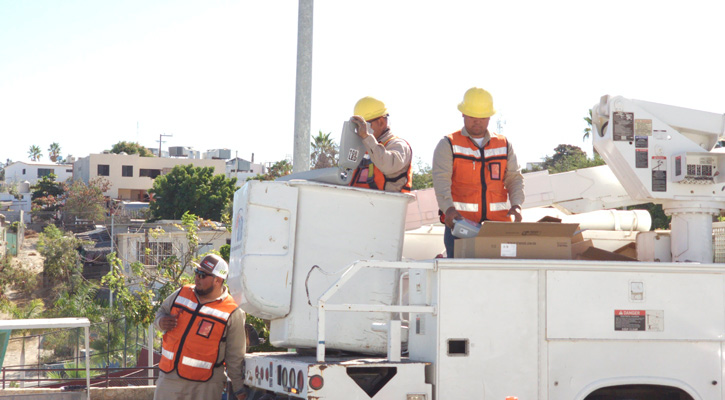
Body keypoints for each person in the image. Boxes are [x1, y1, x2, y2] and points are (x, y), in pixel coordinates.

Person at [432, 87, 525, 258]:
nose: (477, 121)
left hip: (497, 228)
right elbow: (441, 180)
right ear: (463, 114)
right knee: (460, 277)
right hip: (460, 226)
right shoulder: (448, 144)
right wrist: (448, 209)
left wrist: (517, 205)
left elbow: (514, 178)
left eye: (482, 117)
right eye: (472, 116)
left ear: (489, 117)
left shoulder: (504, 145)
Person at [153, 254, 247, 400]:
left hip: (205, 385)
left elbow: (235, 355)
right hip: (170, 379)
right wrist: (161, 321)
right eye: (197, 272)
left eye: (203, 275)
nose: (197, 278)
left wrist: (238, 388)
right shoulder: (182, 293)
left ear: (218, 280)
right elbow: (160, 313)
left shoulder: (233, 311)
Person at [349, 96, 413, 192]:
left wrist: (367, 137)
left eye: (364, 125)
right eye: (357, 126)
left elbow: (387, 165)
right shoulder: (365, 147)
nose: (360, 130)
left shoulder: (398, 145)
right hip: (360, 202)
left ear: (381, 122)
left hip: (386, 204)